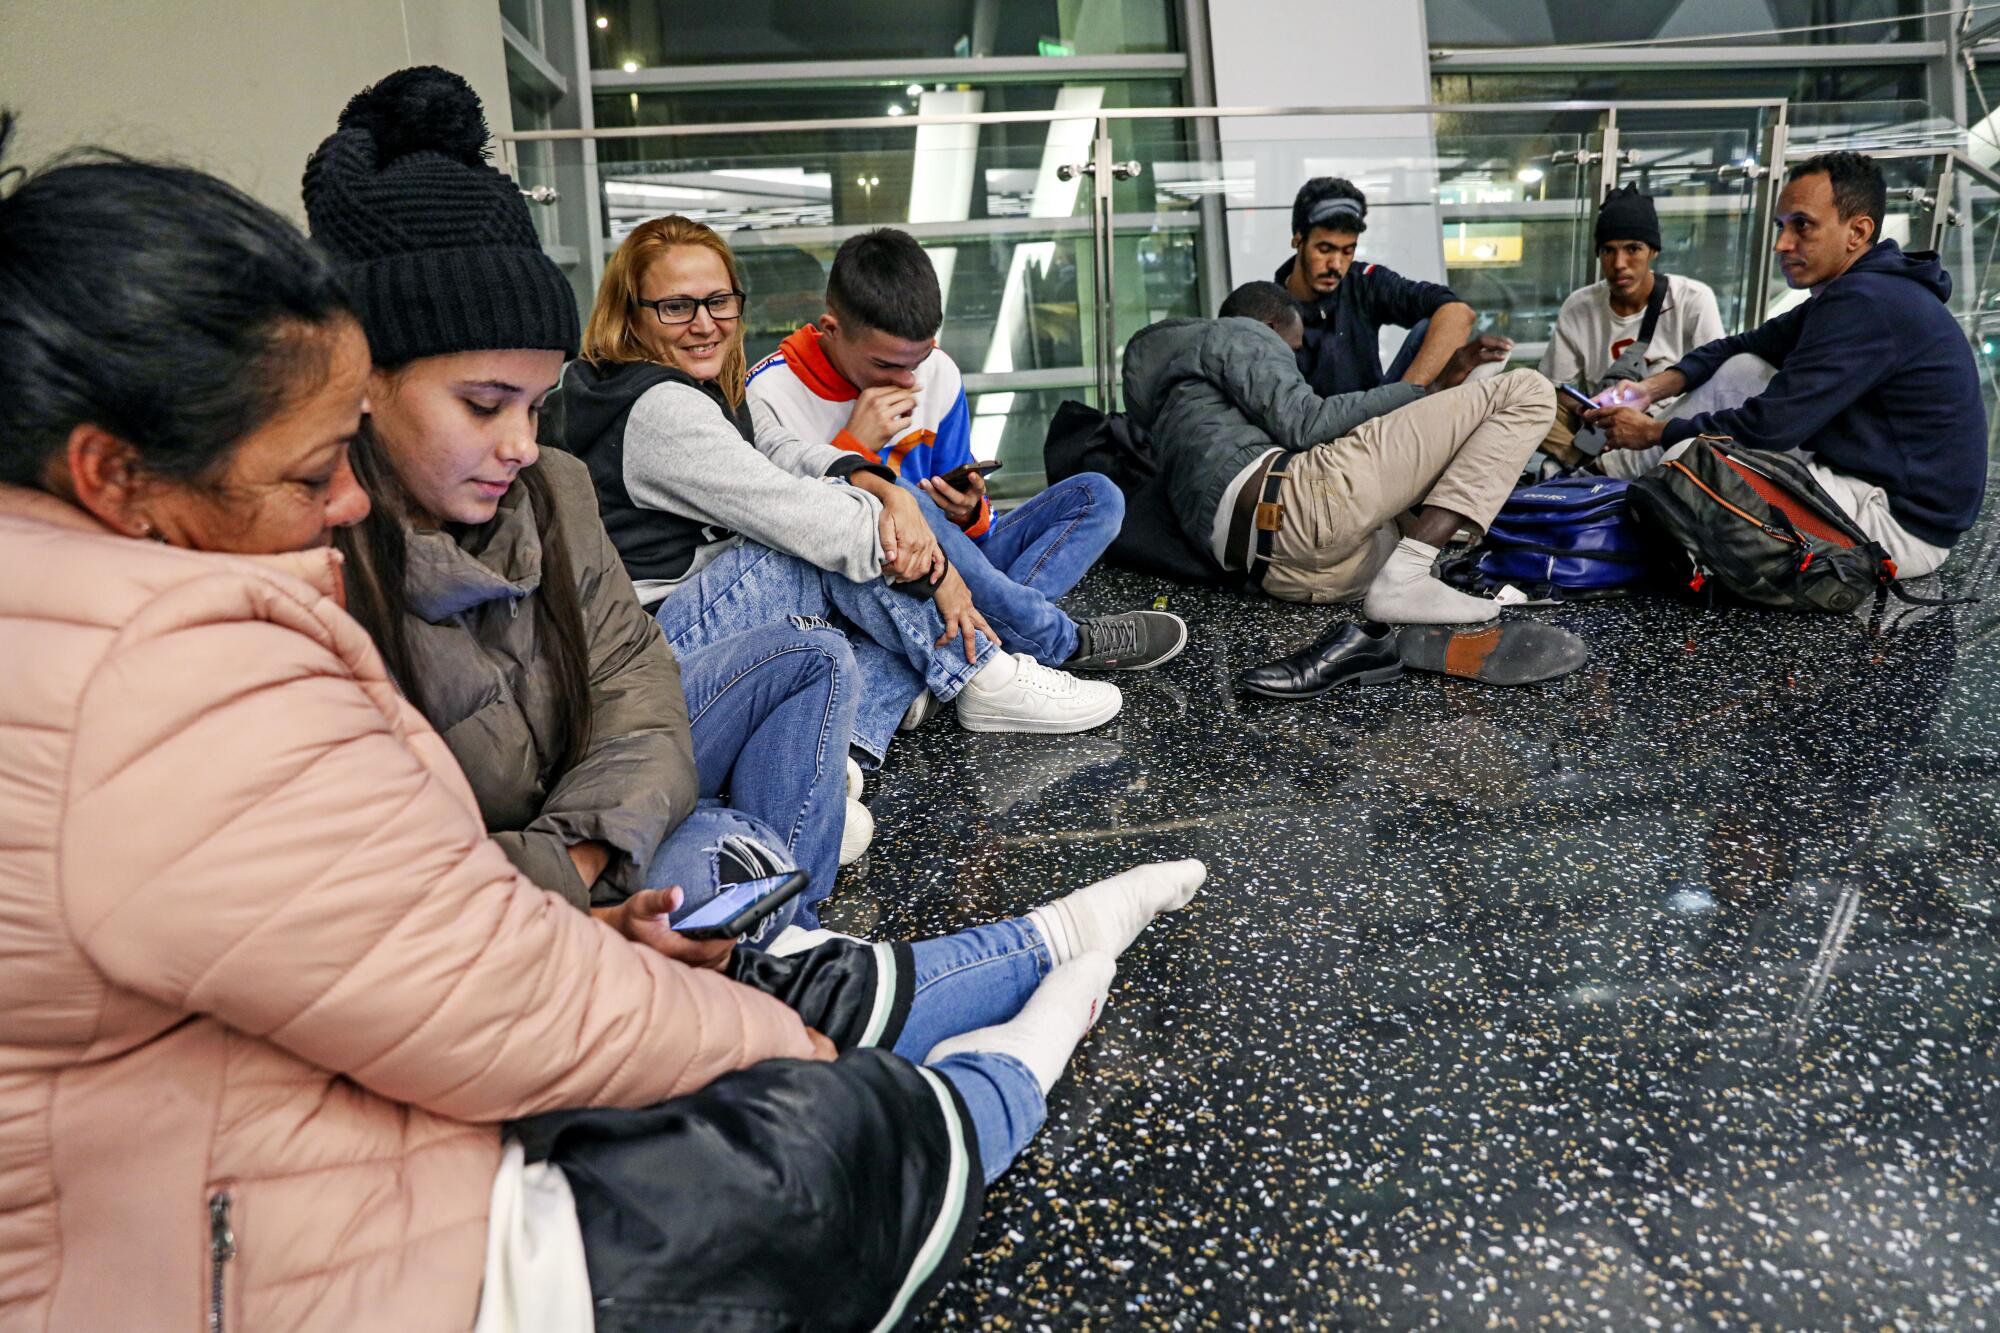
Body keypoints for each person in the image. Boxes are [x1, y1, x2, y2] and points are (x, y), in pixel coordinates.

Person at [0, 100, 1204, 1333]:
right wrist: (644, 943)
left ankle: (998, 911)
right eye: (316, 468)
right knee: (821, 1096)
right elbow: (446, 938)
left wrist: (594, 872)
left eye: (718, 300)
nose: (342, 501)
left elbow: (626, 706)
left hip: (470, 978)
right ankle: (1015, 991)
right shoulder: (191, 646)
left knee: (764, 877)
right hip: (380, 1135)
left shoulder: (200, 593)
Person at [302, 69, 868, 933]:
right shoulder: (305, 564)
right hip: (487, 924)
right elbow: (362, 878)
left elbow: (638, 693)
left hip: (590, 845)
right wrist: (580, 877)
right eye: (485, 404)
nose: (523, 444)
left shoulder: (552, 487)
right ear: (361, 382)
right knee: (722, 866)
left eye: (534, 404)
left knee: (724, 861)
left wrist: (590, 849)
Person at [554, 214, 1124, 758]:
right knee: (822, 552)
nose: (704, 323)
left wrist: (885, 486)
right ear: (631, 314)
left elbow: (782, 454)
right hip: (654, 653)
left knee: (886, 610)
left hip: (724, 610)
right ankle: (992, 668)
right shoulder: (663, 406)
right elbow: (795, 513)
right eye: (676, 307)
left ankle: (841, 759)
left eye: (718, 301)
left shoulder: (689, 384)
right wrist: (937, 569)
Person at [747, 226, 1187, 672]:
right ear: (832, 329)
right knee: (902, 496)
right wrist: (854, 449)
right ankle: (1062, 641)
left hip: (959, 570)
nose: (907, 381)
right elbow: (790, 536)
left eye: (917, 362)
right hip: (872, 588)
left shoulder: (939, 372)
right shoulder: (771, 392)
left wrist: (968, 511)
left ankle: (986, 646)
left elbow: (976, 533)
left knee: (1099, 495)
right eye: (885, 364)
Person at [1587, 151, 1988, 578]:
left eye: (1803, 225)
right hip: (1858, 480)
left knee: (1690, 459)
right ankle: (1614, 485)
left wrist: (1652, 432)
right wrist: (1650, 389)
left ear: (1858, 231)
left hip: (1895, 527)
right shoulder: (1853, 290)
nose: (1782, 243)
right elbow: (1742, 346)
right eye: (1782, 226)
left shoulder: (1869, 303)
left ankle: (1612, 502)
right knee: (1743, 369)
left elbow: (1769, 427)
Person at [1123, 281, 1555, 622]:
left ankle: (1413, 577)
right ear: (1270, 328)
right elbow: (1306, 422)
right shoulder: (1240, 333)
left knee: (1424, 545)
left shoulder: (1176, 403)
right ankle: (1409, 576)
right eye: (1291, 350)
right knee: (1530, 391)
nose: (1291, 361)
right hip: (1298, 509)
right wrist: (1429, 390)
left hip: (1287, 573)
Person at [1277, 176, 1510, 395]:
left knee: (1434, 324)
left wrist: (1398, 404)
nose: (1336, 265)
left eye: (1348, 251)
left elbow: (1459, 314)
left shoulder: (1364, 282)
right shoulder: (1269, 309)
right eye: (1325, 249)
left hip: (1377, 420)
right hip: (1313, 429)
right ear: (1298, 240)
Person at [1541, 185, 1725, 404]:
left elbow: (1718, 383)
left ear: (1653, 251)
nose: (1619, 264)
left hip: (1669, 428)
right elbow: (1556, 389)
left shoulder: (1692, 300)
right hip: (1601, 425)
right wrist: (1589, 412)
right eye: (1608, 251)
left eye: (1633, 249)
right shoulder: (1580, 306)